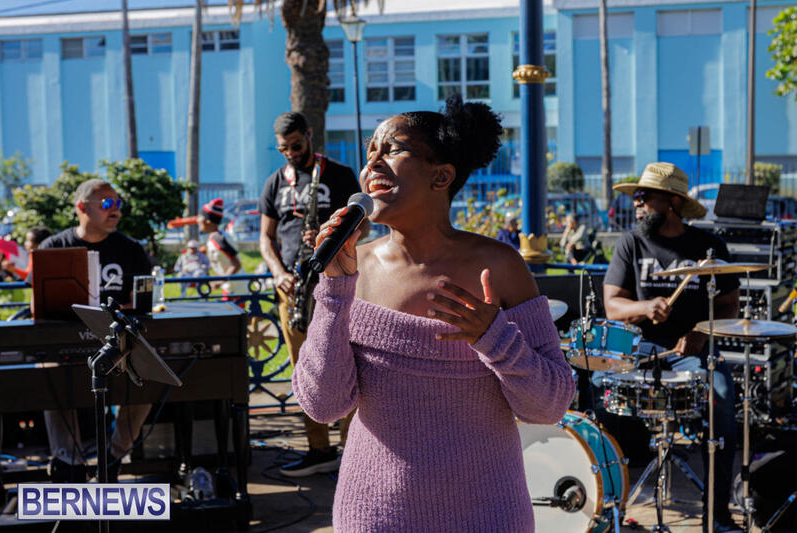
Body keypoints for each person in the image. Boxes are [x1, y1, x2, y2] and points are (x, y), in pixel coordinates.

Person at [293, 95, 575, 531]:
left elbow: (550, 406)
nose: (373, 163)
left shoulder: (500, 266)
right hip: (374, 516)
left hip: (486, 515)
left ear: (441, 175)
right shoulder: (351, 269)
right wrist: (333, 290)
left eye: (392, 149)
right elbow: (323, 405)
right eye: (370, 152)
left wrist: (495, 339)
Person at [602, 162, 741, 533]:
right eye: (636, 196)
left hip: (695, 351)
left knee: (723, 399)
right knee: (600, 393)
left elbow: (729, 306)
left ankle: (718, 514)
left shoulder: (709, 247)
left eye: (644, 196)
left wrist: (701, 333)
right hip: (641, 349)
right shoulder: (631, 243)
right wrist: (645, 307)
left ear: (673, 202)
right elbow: (612, 305)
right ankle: (610, 508)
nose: (636, 203)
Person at [258, 111, 364, 477]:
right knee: (304, 370)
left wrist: (329, 236)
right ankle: (319, 450)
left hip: (338, 284)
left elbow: (363, 228)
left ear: (309, 135)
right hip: (294, 290)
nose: (290, 153)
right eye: (283, 149)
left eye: (296, 145)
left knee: (349, 366)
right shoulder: (275, 182)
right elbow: (265, 238)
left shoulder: (340, 175)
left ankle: (353, 452)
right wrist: (278, 273)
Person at [37, 179, 153, 483]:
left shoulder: (131, 250)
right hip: (67, 342)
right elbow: (41, 305)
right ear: (82, 207)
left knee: (148, 379)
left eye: (118, 204)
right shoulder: (54, 248)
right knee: (48, 373)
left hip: (119, 344)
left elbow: (142, 302)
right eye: (107, 204)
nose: (115, 210)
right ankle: (69, 462)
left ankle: (113, 457)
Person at [197, 198, 246, 297]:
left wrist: (220, 282)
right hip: (230, 287)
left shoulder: (218, 239)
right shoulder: (214, 237)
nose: (197, 220)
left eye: (200, 216)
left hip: (236, 290)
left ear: (208, 221)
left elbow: (236, 264)